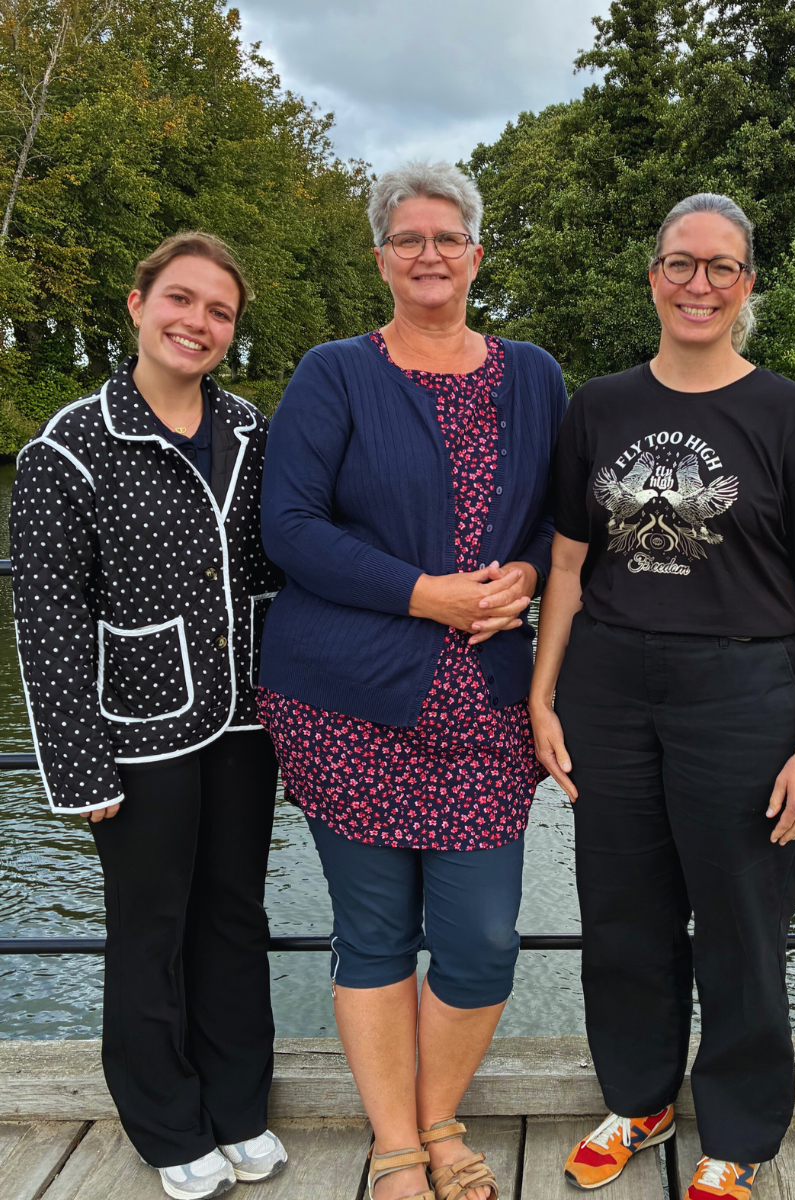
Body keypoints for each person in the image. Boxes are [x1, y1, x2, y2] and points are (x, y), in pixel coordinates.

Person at [530, 193, 795, 1200]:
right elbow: (568, 565)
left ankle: (741, 1130)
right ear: (654, 277)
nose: (699, 285)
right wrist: (543, 698)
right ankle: (638, 1099)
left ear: (748, 284)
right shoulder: (599, 407)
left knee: (741, 919)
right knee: (623, 913)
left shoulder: (788, 414)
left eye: (722, 267)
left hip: (746, 692)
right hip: (610, 689)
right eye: (682, 264)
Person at [257, 160, 567, 1200]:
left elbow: (555, 515)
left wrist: (524, 566)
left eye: (447, 238)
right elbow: (288, 528)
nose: (428, 254)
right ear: (382, 257)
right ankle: (402, 1139)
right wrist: (422, 595)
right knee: (375, 932)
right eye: (408, 239)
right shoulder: (333, 374)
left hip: (486, 709)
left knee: (480, 939)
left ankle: (438, 1110)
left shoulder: (533, 375)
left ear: (478, 255)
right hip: (349, 699)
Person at [10, 232, 287, 1200]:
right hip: (137, 729)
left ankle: (239, 1105)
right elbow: (45, 622)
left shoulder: (255, 432)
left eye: (218, 311)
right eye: (180, 299)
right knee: (149, 927)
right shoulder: (69, 448)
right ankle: (167, 1123)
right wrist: (77, 771)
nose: (197, 322)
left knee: (234, 918)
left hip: (248, 727)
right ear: (136, 304)